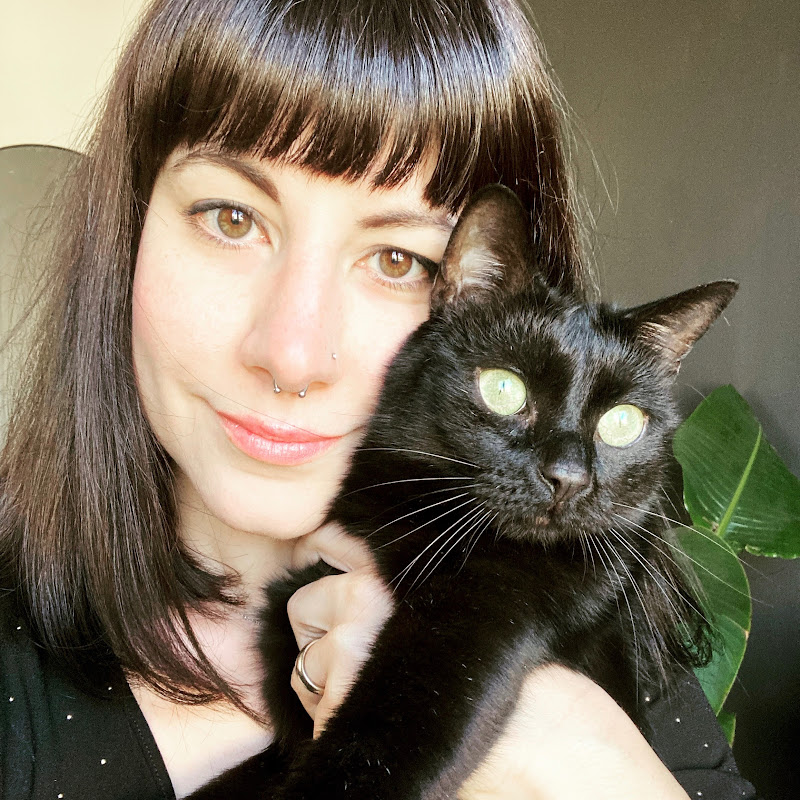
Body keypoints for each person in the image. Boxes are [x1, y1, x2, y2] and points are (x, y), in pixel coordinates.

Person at [0, 1, 758, 798]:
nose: (292, 354)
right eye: (232, 217)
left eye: (399, 259)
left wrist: (581, 763)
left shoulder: (619, 612)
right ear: (127, 230)